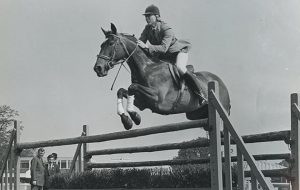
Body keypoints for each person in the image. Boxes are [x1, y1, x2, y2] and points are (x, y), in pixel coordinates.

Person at [137, 4, 206, 102]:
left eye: (149, 16)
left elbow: (164, 48)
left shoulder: (166, 28)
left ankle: (201, 93)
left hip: (178, 53)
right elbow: (140, 43)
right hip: (165, 56)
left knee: (180, 68)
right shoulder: (147, 29)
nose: (147, 18)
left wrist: (148, 46)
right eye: (146, 16)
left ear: (156, 16)